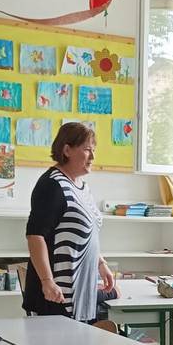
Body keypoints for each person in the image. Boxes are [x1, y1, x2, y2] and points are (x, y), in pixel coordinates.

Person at [23, 122, 116, 323]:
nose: (92, 157)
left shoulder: (82, 186)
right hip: (57, 295)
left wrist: (101, 264)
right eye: (87, 150)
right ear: (67, 150)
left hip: (81, 292)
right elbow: (35, 236)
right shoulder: (52, 185)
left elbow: (85, 234)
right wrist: (47, 281)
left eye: (93, 150)